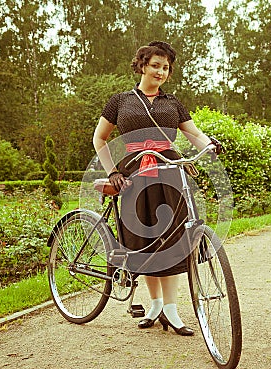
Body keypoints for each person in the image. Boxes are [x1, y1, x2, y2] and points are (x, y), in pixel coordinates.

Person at [93, 41, 221, 336]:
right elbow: (100, 138)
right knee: (145, 236)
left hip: (171, 173)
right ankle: (154, 305)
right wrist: (112, 170)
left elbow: (194, 133)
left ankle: (172, 311)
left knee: (173, 239)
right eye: (155, 65)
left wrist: (210, 145)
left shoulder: (173, 103)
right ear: (141, 65)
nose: (161, 72)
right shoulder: (119, 101)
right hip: (134, 174)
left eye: (166, 67)